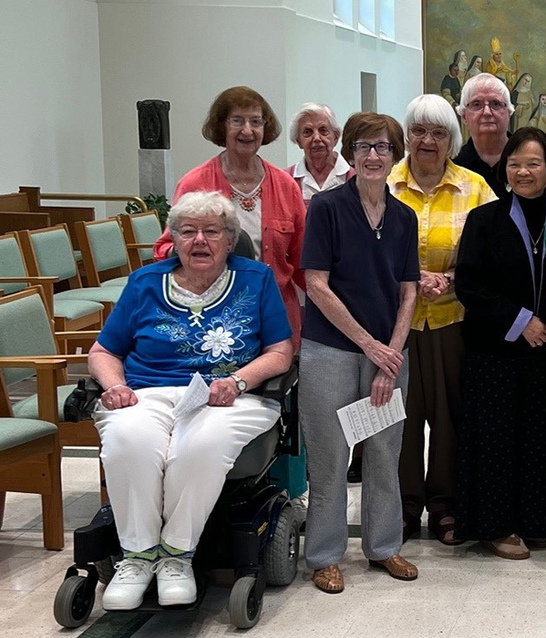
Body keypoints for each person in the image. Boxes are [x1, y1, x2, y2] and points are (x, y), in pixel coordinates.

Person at [89, 191, 293, 610]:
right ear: (174, 239)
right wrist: (114, 385)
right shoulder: (145, 282)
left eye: (211, 231)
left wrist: (237, 381)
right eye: (188, 231)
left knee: (199, 445)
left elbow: (280, 351)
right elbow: (103, 351)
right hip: (147, 392)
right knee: (130, 440)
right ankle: (138, 557)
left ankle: (177, 558)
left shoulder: (256, 279)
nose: (200, 240)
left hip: (229, 397)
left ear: (229, 238)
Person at [299, 112, 420, 593]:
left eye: (384, 148)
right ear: (349, 153)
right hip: (330, 349)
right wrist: (368, 344)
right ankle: (325, 555)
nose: (374, 156)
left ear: (395, 156)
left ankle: (384, 547)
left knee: (385, 451)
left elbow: (409, 291)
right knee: (330, 456)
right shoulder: (327, 208)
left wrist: (390, 353)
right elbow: (316, 284)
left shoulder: (404, 216)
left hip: (387, 351)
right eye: (365, 147)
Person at [454, 127, 546, 560]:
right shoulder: (486, 219)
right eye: (515, 163)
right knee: (496, 440)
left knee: (539, 439)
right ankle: (495, 527)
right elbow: (469, 285)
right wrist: (521, 322)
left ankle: (538, 522)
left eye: (533, 163)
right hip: (494, 350)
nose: (523, 171)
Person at [391, 94, 498, 545]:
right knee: (401, 416)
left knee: (451, 415)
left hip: (455, 319)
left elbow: (494, 253)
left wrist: (453, 279)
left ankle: (445, 506)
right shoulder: (384, 183)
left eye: (437, 133)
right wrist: (415, 281)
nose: (426, 141)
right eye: (418, 131)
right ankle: (401, 505)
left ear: (452, 140)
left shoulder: (475, 187)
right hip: (396, 324)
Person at [153, 86, 306, 350]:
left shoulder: (285, 185)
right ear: (221, 126)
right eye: (238, 121)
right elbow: (164, 249)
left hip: (275, 316)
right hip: (208, 318)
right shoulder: (194, 183)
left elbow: (305, 260)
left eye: (256, 122)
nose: (247, 130)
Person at [454, 73, 513, 192]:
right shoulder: (453, 167)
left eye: (496, 104)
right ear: (464, 116)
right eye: (476, 104)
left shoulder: (530, 163)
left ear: (509, 113)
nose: (487, 112)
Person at [287, 103, 355, 204]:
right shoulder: (286, 180)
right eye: (307, 132)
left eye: (323, 130)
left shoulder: (356, 179)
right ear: (298, 141)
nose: (317, 138)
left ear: (335, 138)